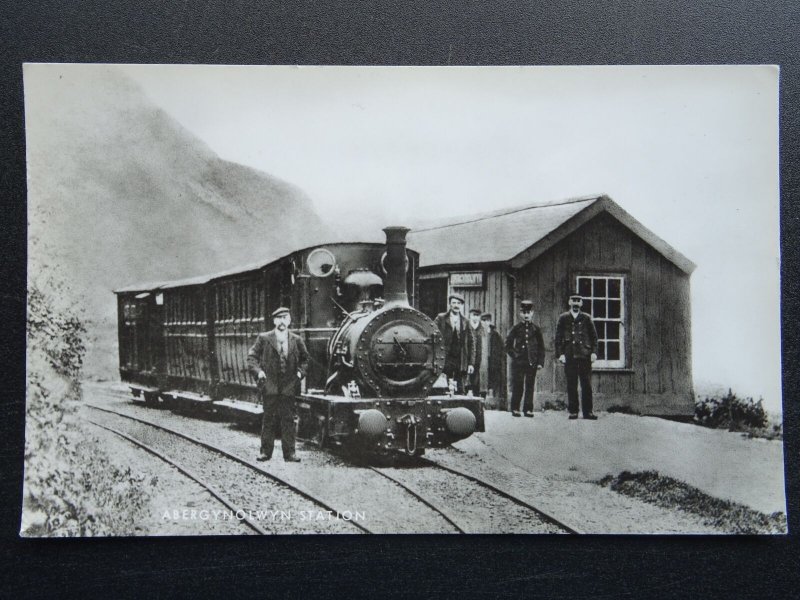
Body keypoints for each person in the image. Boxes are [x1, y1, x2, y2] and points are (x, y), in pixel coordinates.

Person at [247, 307, 309, 461]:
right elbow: (251, 358)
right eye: (279, 318)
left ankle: (290, 454)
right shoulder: (264, 338)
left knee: (288, 419)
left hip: (289, 386)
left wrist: (300, 373)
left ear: (289, 321)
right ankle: (265, 452)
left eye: (285, 318)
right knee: (269, 419)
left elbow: (306, 359)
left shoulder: (297, 339)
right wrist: (259, 372)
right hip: (270, 385)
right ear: (274, 321)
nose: (282, 322)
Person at [555, 294, 599, 420]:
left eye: (578, 301)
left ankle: (588, 412)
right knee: (571, 384)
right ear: (569, 302)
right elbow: (558, 338)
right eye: (573, 300)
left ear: (581, 303)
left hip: (584, 356)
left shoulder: (586, 318)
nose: (576, 303)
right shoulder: (563, 318)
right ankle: (573, 411)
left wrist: (594, 352)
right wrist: (561, 354)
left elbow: (594, 337)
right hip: (570, 356)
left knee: (586, 385)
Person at [504, 300, 545, 417]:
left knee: (530, 385)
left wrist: (540, 362)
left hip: (532, 362)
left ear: (532, 313)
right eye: (524, 312)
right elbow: (507, 345)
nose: (526, 315)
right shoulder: (516, 328)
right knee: (518, 384)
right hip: (519, 363)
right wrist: (515, 355)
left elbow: (541, 347)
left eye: (529, 312)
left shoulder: (536, 329)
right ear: (520, 313)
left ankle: (528, 409)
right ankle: (515, 408)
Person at [434, 293, 472, 394]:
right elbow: (433, 335)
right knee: (442, 388)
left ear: (462, 305)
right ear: (450, 305)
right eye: (454, 303)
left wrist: (471, 363)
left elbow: (471, 344)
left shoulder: (466, 322)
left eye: (459, 303)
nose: (456, 305)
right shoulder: (441, 318)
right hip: (444, 358)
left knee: (460, 388)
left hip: (460, 359)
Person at [480, 312, 506, 406]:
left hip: (492, 361)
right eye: (483, 321)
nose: (484, 323)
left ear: (490, 322)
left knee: (492, 380)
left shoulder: (495, 334)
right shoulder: (479, 333)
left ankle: (492, 402)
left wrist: (497, 359)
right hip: (482, 361)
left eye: (487, 321)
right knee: (482, 381)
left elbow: (501, 348)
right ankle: (482, 401)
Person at [464, 309, 484, 396]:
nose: (475, 318)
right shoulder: (466, 327)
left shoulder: (482, 329)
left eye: (477, 315)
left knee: (476, 379)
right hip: (467, 357)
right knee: (464, 379)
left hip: (478, 359)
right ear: (470, 316)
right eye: (473, 315)